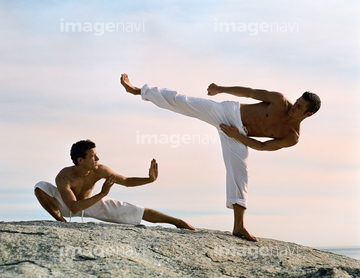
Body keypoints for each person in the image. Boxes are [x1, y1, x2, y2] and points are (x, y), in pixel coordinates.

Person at [120, 73, 321, 242]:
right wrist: (220, 89)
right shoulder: (279, 100)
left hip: (240, 135)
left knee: (240, 172)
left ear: (309, 114)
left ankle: (239, 226)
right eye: (297, 102)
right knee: (184, 102)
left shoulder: (292, 137)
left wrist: (237, 136)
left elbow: (262, 146)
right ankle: (139, 90)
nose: (294, 106)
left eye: (300, 107)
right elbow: (249, 92)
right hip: (229, 112)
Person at [34, 139, 196, 230]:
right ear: (80, 160)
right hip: (66, 205)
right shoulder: (64, 177)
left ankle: (178, 222)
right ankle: (61, 222)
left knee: (136, 210)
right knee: (40, 185)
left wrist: (149, 180)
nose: (98, 159)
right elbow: (74, 207)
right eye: (93, 156)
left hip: (92, 203)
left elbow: (126, 181)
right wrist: (103, 193)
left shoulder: (100, 170)